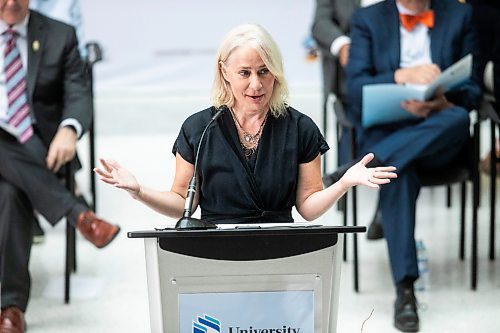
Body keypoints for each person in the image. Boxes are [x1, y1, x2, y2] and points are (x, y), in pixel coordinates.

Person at [95, 24, 396, 238]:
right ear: (224, 71)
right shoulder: (199, 129)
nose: (256, 84)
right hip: (215, 248)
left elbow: (308, 207)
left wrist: (343, 183)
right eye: (245, 73)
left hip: (279, 246)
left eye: (264, 71)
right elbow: (180, 204)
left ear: (276, 73)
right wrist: (138, 191)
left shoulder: (300, 128)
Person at [342, 0, 481, 332]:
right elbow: (354, 88)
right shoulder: (367, 19)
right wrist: (401, 76)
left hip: (438, 132)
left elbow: (474, 88)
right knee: (398, 173)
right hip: (388, 127)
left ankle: (365, 166)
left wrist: (442, 102)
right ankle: (405, 290)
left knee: (459, 118)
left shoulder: (460, 14)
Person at [0, 1, 120, 332]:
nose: (10, 3)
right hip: (33, 160)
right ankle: (77, 213)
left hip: (40, 149)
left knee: (10, 193)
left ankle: (9, 309)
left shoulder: (58, 34)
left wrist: (69, 129)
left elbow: (78, 93)